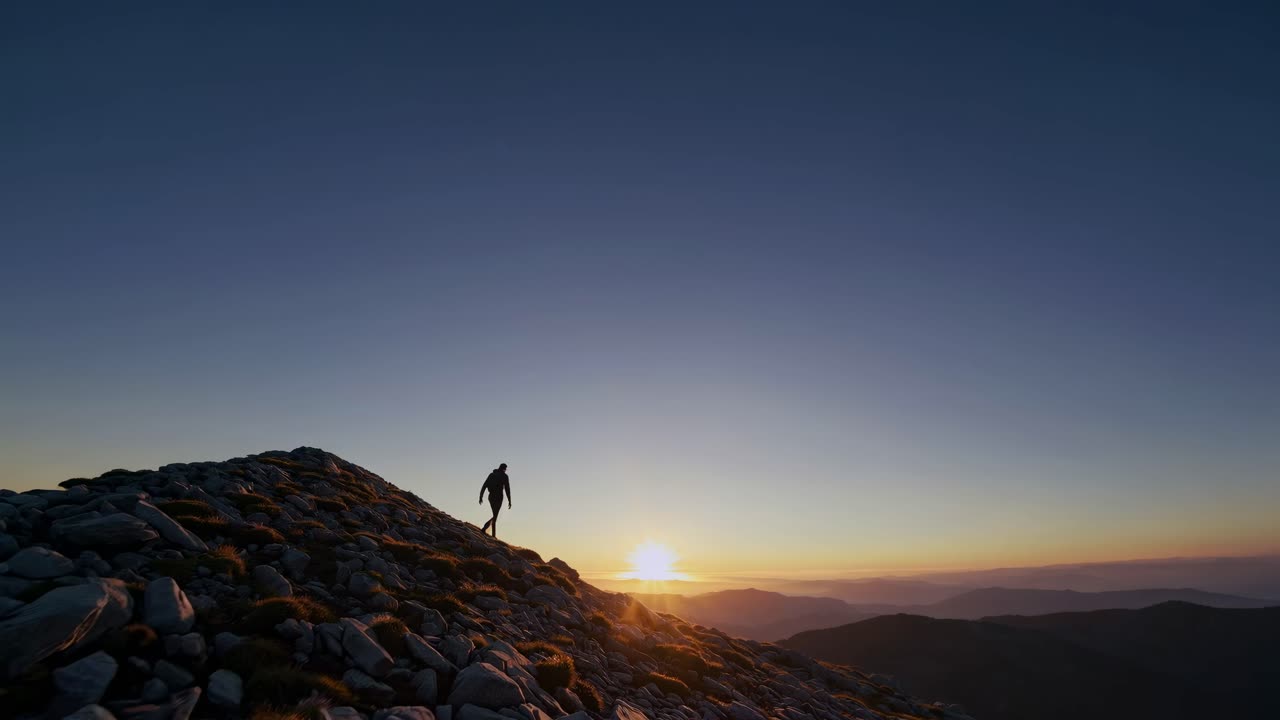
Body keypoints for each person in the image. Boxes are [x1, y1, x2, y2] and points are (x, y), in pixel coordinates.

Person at [479, 462, 511, 537]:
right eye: (505, 469)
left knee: (495, 515)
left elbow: (484, 485)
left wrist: (481, 496)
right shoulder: (504, 476)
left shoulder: (492, 475)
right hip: (499, 496)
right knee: (495, 515)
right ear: (504, 469)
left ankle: (491, 533)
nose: (505, 470)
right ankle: (486, 530)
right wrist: (509, 500)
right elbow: (507, 489)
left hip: (491, 496)